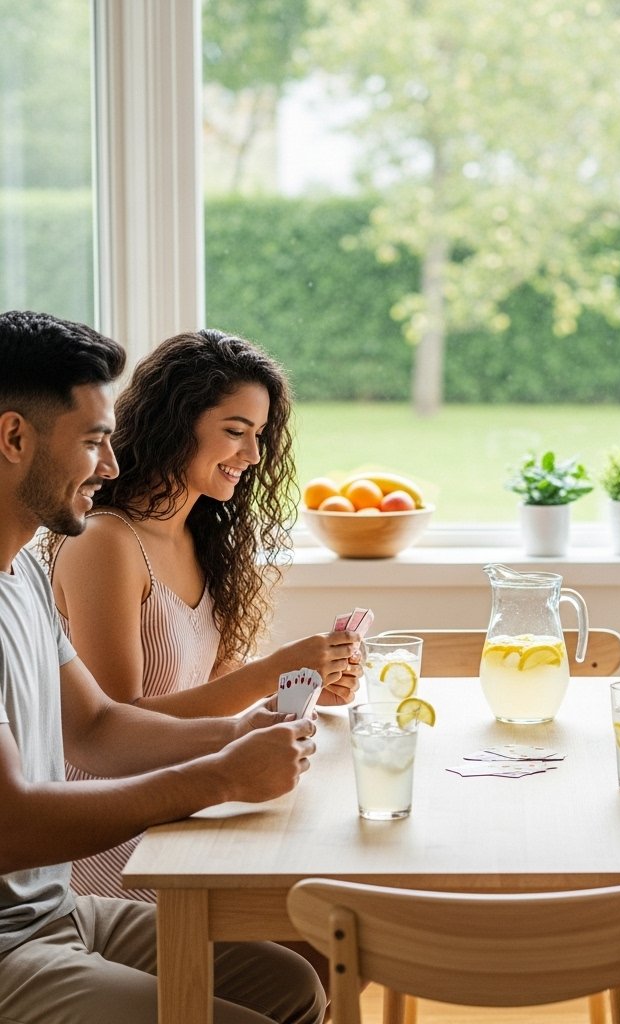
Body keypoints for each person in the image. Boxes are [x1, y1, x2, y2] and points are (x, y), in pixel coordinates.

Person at [0, 310, 325, 1023]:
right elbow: (10, 824)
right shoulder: (99, 544)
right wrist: (220, 775)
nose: (111, 466)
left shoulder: (21, 573)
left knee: (295, 985)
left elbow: (96, 726)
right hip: (6, 944)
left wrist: (240, 733)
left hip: (56, 908)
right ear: (14, 438)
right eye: (93, 441)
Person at [41, 328, 360, 903]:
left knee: (331, 896)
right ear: (175, 422)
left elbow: (212, 688)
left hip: (191, 801)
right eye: (235, 432)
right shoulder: (105, 543)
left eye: (259, 435)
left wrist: (300, 686)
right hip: (122, 832)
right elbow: (116, 728)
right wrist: (269, 674)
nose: (253, 456)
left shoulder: (198, 538)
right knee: (319, 909)